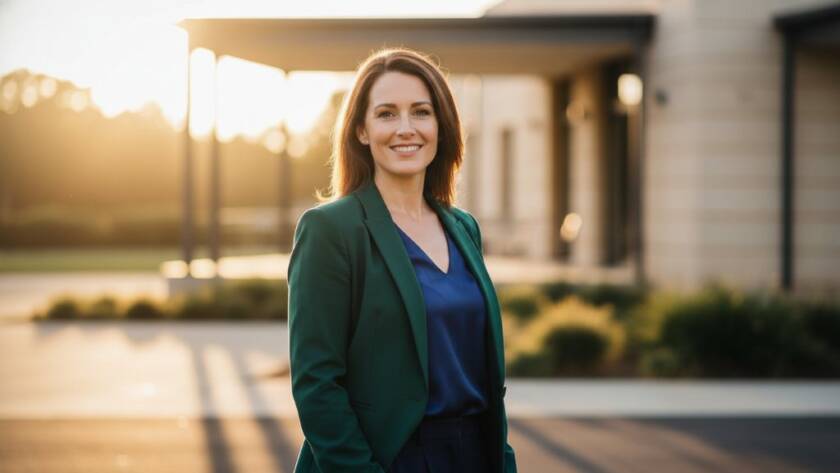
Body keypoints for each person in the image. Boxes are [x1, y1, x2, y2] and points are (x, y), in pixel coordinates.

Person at [287, 47, 517, 473]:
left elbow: (486, 378)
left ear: (441, 125)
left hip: (474, 454)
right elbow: (317, 384)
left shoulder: (463, 227)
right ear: (361, 130)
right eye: (387, 114)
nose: (406, 128)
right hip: (388, 457)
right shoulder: (331, 230)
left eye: (421, 112)